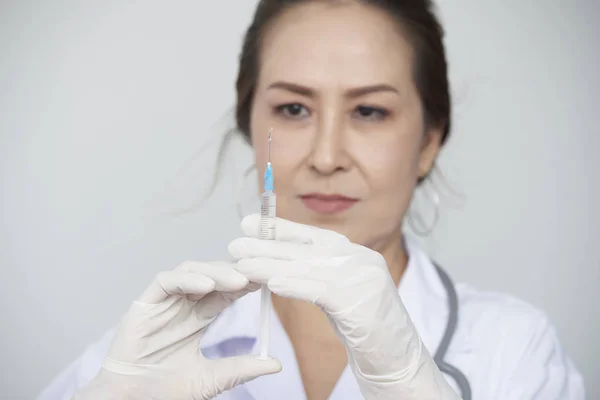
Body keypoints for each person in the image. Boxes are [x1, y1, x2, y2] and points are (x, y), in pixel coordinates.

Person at [37, 1, 586, 399]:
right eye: (293, 110)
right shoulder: (146, 354)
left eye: (369, 111)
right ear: (251, 126)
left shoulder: (512, 349)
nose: (326, 157)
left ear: (428, 144)